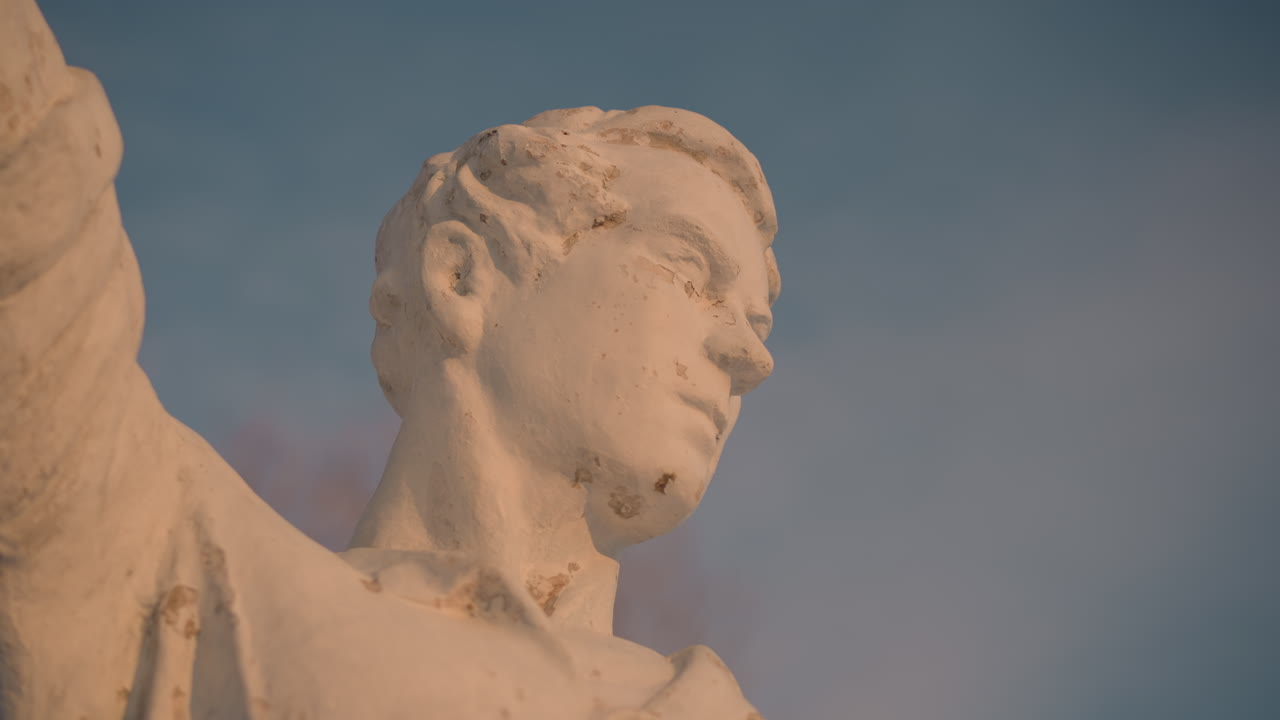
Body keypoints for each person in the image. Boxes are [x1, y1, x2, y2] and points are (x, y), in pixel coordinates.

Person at [0, 1, 777, 718]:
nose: (750, 357)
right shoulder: (202, 581)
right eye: (691, 268)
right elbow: (34, 245)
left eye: (758, 323)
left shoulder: (691, 705)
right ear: (462, 277)